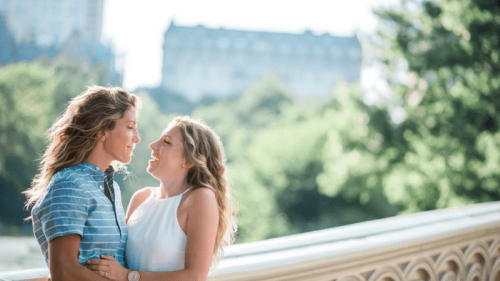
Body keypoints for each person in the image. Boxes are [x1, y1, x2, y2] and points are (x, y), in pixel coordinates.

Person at [86, 116, 238, 281]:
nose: (153, 145)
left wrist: (129, 276)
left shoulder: (200, 198)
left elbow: (195, 276)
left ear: (188, 160)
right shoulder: (140, 198)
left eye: (166, 142)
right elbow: (116, 261)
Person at [24, 86, 141, 281]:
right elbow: (64, 272)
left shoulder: (113, 189)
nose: (137, 137)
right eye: (130, 127)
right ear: (102, 130)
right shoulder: (69, 184)